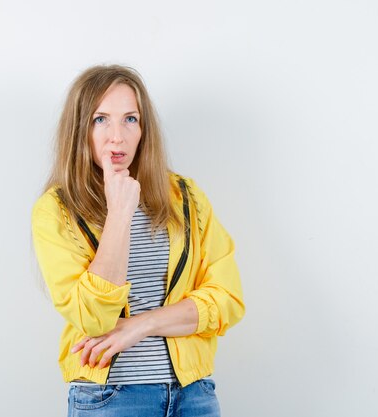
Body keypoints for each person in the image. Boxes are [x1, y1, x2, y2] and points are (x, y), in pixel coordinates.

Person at [31, 64, 245, 417]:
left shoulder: (185, 197)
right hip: (111, 398)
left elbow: (228, 299)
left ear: (144, 128)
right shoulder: (56, 210)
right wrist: (119, 213)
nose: (118, 136)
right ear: (79, 129)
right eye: (101, 119)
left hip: (194, 394)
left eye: (130, 119)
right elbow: (94, 318)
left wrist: (141, 325)